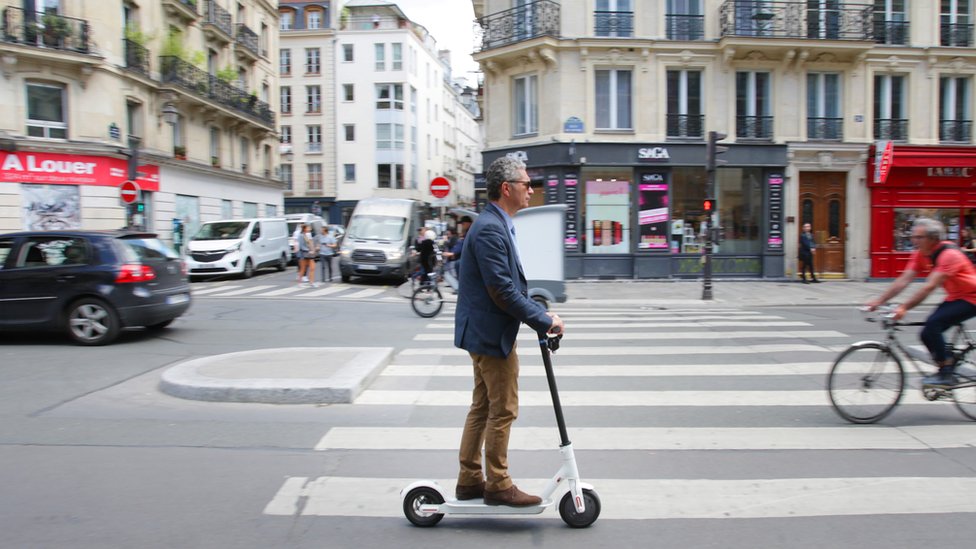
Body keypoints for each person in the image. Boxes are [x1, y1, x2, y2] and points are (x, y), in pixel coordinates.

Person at [454, 156, 564, 507]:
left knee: (482, 407)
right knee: (502, 409)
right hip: (490, 333)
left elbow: (507, 285)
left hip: (484, 330)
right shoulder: (489, 228)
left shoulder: (496, 224)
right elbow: (500, 290)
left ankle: (470, 479)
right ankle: (497, 483)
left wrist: (538, 311)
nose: (531, 190)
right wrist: (543, 320)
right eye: (526, 184)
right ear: (507, 188)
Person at [866, 217, 976, 386]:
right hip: (956, 296)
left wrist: (904, 307)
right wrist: (879, 301)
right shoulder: (921, 254)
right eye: (913, 237)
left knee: (933, 324)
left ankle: (946, 374)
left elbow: (929, 287)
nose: (913, 241)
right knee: (926, 333)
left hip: (972, 297)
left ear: (933, 239)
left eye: (919, 237)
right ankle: (947, 363)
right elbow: (904, 279)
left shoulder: (949, 255)